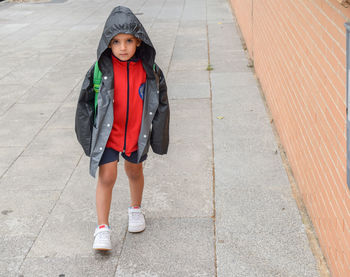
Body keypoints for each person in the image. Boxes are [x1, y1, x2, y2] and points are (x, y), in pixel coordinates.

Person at [74, 6, 170, 251]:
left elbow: (161, 104)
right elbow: (84, 105)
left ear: (139, 40)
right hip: (108, 134)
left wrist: (158, 137)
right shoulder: (99, 70)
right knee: (107, 176)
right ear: (108, 42)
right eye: (116, 42)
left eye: (129, 41)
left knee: (134, 171)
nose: (123, 47)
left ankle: (135, 209)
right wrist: (88, 139)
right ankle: (102, 228)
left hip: (135, 134)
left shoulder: (151, 71)